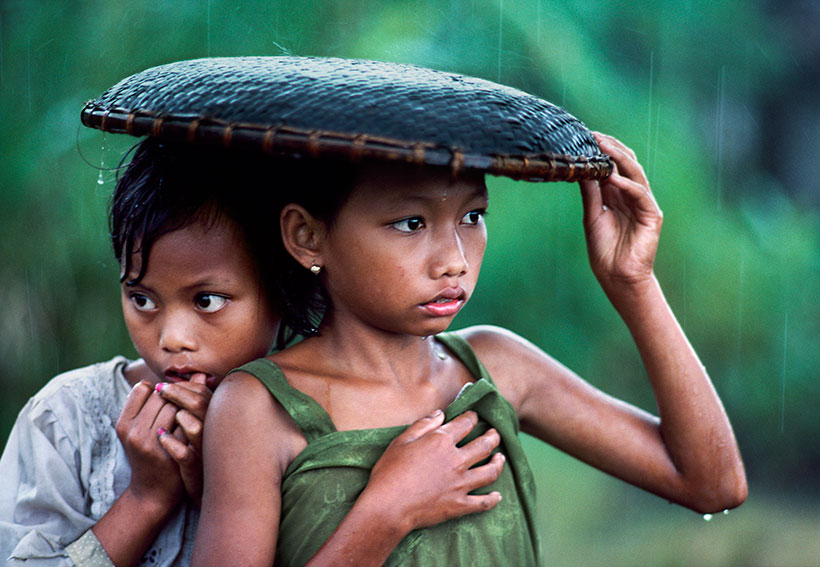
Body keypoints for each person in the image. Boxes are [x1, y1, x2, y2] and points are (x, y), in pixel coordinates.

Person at [191, 132, 748, 566]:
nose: (454, 259)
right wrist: (387, 512)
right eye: (410, 223)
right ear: (307, 236)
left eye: (472, 217)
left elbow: (712, 483)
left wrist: (634, 283)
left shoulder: (497, 367)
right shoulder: (256, 409)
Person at [0, 138, 505, 567]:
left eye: (208, 301)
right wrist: (146, 498)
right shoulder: (66, 419)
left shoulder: (313, 417)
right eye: (141, 298)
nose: (172, 337)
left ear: (283, 288)